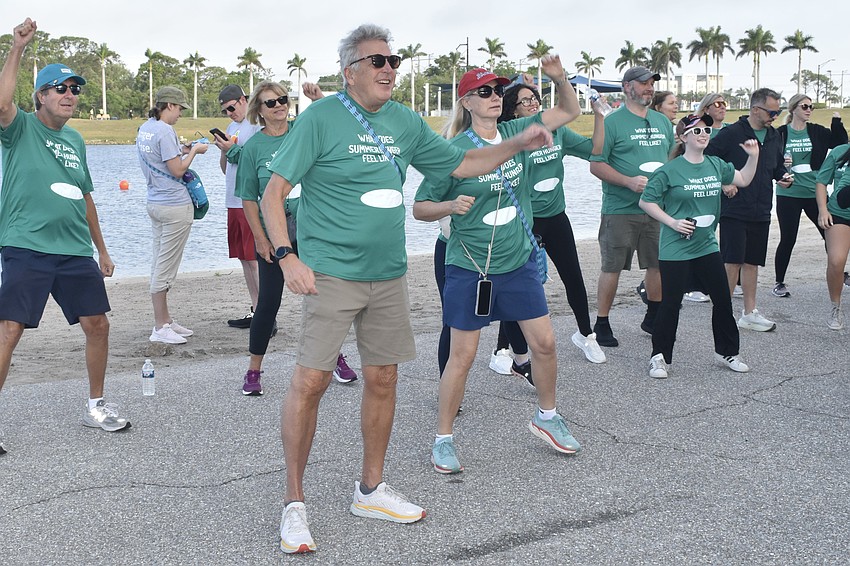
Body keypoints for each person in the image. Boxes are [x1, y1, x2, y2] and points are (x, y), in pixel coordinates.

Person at [259, 24, 556, 554]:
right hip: (329, 272)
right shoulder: (322, 118)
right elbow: (274, 192)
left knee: (383, 378)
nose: (388, 68)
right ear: (350, 70)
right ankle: (295, 505)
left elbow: (463, 163)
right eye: (377, 61)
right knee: (310, 383)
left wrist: (517, 140)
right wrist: (287, 258)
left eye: (393, 60)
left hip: (389, 272)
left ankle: (370, 489)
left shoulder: (405, 121)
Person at [413, 58, 583, 476]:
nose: (494, 98)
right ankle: (444, 439)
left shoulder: (513, 132)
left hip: (518, 260)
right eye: (485, 92)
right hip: (471, 265)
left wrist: (559, 77)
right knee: (463, 354)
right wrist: (449, 206)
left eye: (497, 92)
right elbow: (419, 208)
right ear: (467, 101)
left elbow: (569, 113)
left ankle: (547, 417)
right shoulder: (452, 151)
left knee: (544, 343)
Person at [0, 19, 130, 456]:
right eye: (60, 88)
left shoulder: (75, 140)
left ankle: (95, 405)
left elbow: (85, 195)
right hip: (26, 245)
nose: (69, 95)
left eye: (75, 89)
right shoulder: (20, 128)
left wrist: (102, 249)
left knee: (98, 325)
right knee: (9, 329)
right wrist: (17, 48)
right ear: (41, 95)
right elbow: (2, 105)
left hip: (74, 250)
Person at [235, 81, 356, 397]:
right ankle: (253, 371)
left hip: (314, 229)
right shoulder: (253, 149)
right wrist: (261, 239)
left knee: (324, 300)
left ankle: (336, 360)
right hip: (277, 233)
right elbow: (248, 198)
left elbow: (336, 125)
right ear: (259, 111)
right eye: (270, 103)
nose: (278, 106)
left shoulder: (303, 131)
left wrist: (319, 99)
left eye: (282, 100)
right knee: (268, 303)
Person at [484, 80, 607, 374]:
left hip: (556, 217)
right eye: (526, 101)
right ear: (512, 112)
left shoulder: (558, 132)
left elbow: (594, 150)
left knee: (573, 277)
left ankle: (586, 335)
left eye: (536, 99)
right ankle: (502, 348)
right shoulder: (511, 140)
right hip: (525, 221)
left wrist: (600, 115)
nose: (534, 105)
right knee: (519, 284)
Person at [639, 114, 759, 378]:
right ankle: (659, 357)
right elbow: (646, 202)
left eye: (706, 130)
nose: (704, 133)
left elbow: (744, 180)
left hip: (706, 246)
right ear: (683, 138)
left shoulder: (716, 165)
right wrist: (673, 222)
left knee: (722, 300)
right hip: (676, 248)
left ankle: (727, 351)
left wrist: (753, 156)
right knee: (670, 304)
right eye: (696, 131)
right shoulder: (668, 171)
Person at [589, 66, 675, 347]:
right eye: (643, 83)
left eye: (651, 83)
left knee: (657, 264)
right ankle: (602, 322)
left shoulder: (662, 122)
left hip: (656, 208)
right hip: (620, 208)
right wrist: (627, 181)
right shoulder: (612, 122)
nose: (649, 87)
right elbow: (596, 165)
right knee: (612, 266)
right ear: (627, 87)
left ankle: (653, 316)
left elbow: (672, 159)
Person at [706, 88, 793, 332]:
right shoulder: (731, 133)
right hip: (734, 207)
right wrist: (725, 182)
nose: (775, 115)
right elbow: (708, 157)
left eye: (778, 111)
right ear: (755, 109)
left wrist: (783, 176)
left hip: (762, 207)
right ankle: (722, 313)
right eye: (771, 111)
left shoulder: (775, 135)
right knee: (731, 261)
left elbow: (774, 167)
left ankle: (749, 312)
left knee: (752, 262)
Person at [137, 85, 208, 344]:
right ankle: (159, 326)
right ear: (168, 105)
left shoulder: (146, 128)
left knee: (159, 262)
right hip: (174, 205)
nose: (180, 114)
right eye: (179, 108)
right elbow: (177, 170)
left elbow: (159, 158)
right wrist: (193, 152)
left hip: (155, 202)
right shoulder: (165, 131)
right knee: (165, 268)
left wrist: (183, 147)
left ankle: (165, 319)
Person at [773, 94, 847, 297]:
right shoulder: (780, 133)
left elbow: (841, 143)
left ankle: (839, 271)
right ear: (793, 108)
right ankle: (779, 282)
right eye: (805, 106)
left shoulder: (817, 131)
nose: (809, 110)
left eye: (811, 107)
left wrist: (837, 122)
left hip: (814, 192)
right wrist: (777, 177)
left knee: (828, 233)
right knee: (788, 238)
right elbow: (771, 160)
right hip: (788, 194)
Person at [213, 85, 261, 328]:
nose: (230, 113)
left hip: (250, 200)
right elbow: (226, 170)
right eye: (225, 111)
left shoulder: (256, 125)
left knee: (254, 259)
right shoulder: (232, 128)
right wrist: (224, 149)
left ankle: (266, 313)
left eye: (231, 107)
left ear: (243, 100)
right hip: (232, 200)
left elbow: (258, 163)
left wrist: (234, 150)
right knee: (243, 258)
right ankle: (255, 309)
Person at [816, 145, 850, 329]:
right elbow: (822, 182)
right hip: (839, 213)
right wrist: (823, 210)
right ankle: (835, 307)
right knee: (836, 261)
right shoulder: (839, 152)